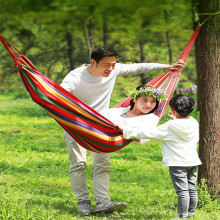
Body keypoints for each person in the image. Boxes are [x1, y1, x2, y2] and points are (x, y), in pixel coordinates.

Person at [60, 46, 185, 215]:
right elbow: (59, 94)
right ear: (93, 62)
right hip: (77, 124)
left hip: (104, 124)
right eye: (106, 65)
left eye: (113, 64)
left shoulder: (113, 69)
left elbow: (137, 67)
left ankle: (103, 202)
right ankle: (83, 202)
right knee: (78, 164)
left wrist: (166, 67)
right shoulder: (75, 76)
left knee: (102, 165)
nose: (111, 69)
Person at [122, 94, 202, 219]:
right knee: (191, 189)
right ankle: (191, 214)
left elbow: (149, 133)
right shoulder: (193, 122)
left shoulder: (170, 126)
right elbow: (181, 125)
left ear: (173, 110)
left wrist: (126, 131)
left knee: (182, 191)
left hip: (178, 163)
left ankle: (182, 216)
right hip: (192, 161)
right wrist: (176, 118)